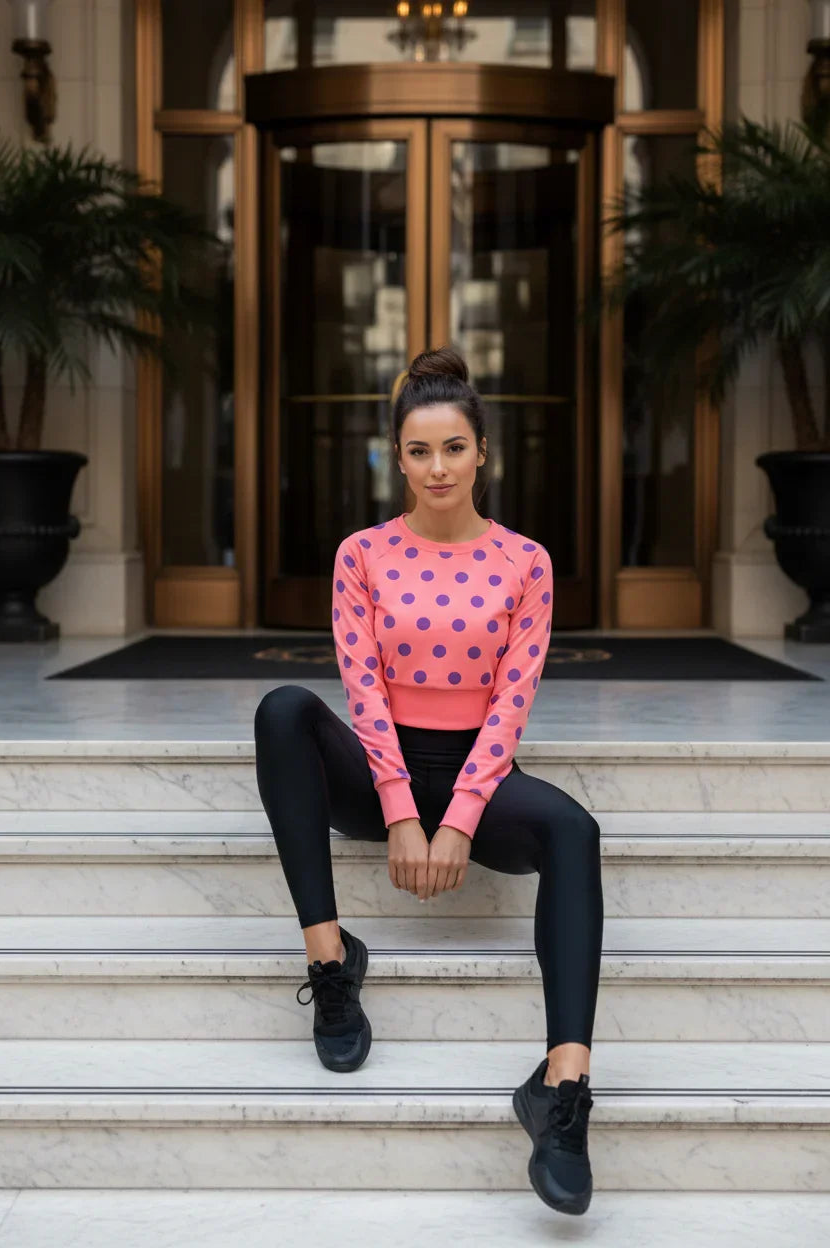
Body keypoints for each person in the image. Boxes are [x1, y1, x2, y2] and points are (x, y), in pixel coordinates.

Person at [254, 346, 604, 1217]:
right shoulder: (361, 555)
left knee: (575, 831)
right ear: (396, 457)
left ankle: (560, 1092)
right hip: (383, 774)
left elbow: (511, 704)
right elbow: (362, 688)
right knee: (284, 709)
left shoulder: (526, 561)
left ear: (483, 451)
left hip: (477, 781)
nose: (436, 468)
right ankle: (331, 965)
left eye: (453, 448)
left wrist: (459, 819)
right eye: (418, 451)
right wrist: (404, 812)